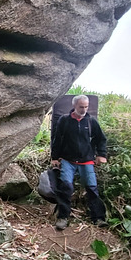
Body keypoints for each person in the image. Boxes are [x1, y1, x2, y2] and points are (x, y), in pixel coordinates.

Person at [51, 95, 108, 230]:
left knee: (92, 188)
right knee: (66, 187)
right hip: (68, 160)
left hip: (86, 160)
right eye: (81, 107)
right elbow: (57, 139)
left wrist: (101, 155)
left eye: (86, 107)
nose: (84, 109)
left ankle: (98, 218)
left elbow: (101, 139)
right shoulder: (64, 120)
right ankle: (63, 217)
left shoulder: (91, 122)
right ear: (74, 106)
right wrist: (54, 157)